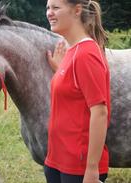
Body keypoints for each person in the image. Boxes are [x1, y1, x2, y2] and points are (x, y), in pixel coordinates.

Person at [44, 0, 111, 183]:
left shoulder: (86, 54)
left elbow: (100, 112)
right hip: (58, 160)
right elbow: (74, 94)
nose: (49, 12)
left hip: (79, 167)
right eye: (48, 8)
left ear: (77, 10)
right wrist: (60, 70)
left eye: (56, 7)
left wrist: (91, 169)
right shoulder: (72, 51)